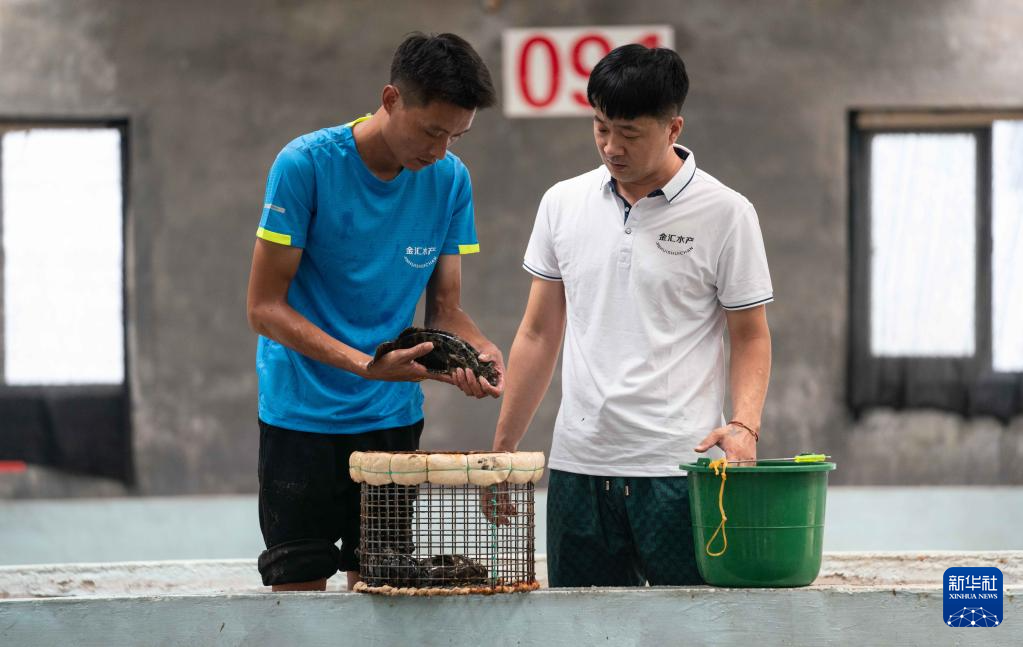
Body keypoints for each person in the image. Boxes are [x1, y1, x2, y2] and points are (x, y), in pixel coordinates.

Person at [488, 44, 773, 587]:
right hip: (579, 467)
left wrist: (744, 427)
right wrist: (503, 452)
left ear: (673, 127)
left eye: (629, 133)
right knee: (580, 631)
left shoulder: (727, 213)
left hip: (677, 470)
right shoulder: (561, 203)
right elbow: (539, 332)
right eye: (600, 128)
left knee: (687, 628)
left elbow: (751, 335)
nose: (611, 148)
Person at [246, 32, 503, 592]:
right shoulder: (306, 165)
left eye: (455, 136)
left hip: (391, 423)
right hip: (301, 420)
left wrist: (479, 349)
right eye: (432, 131)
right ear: (391, 100)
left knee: (382, 589)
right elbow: (263, 309)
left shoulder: (450, 180)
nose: (439, 151)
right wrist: (366, 364)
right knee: (299, 598)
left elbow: (446, 309)